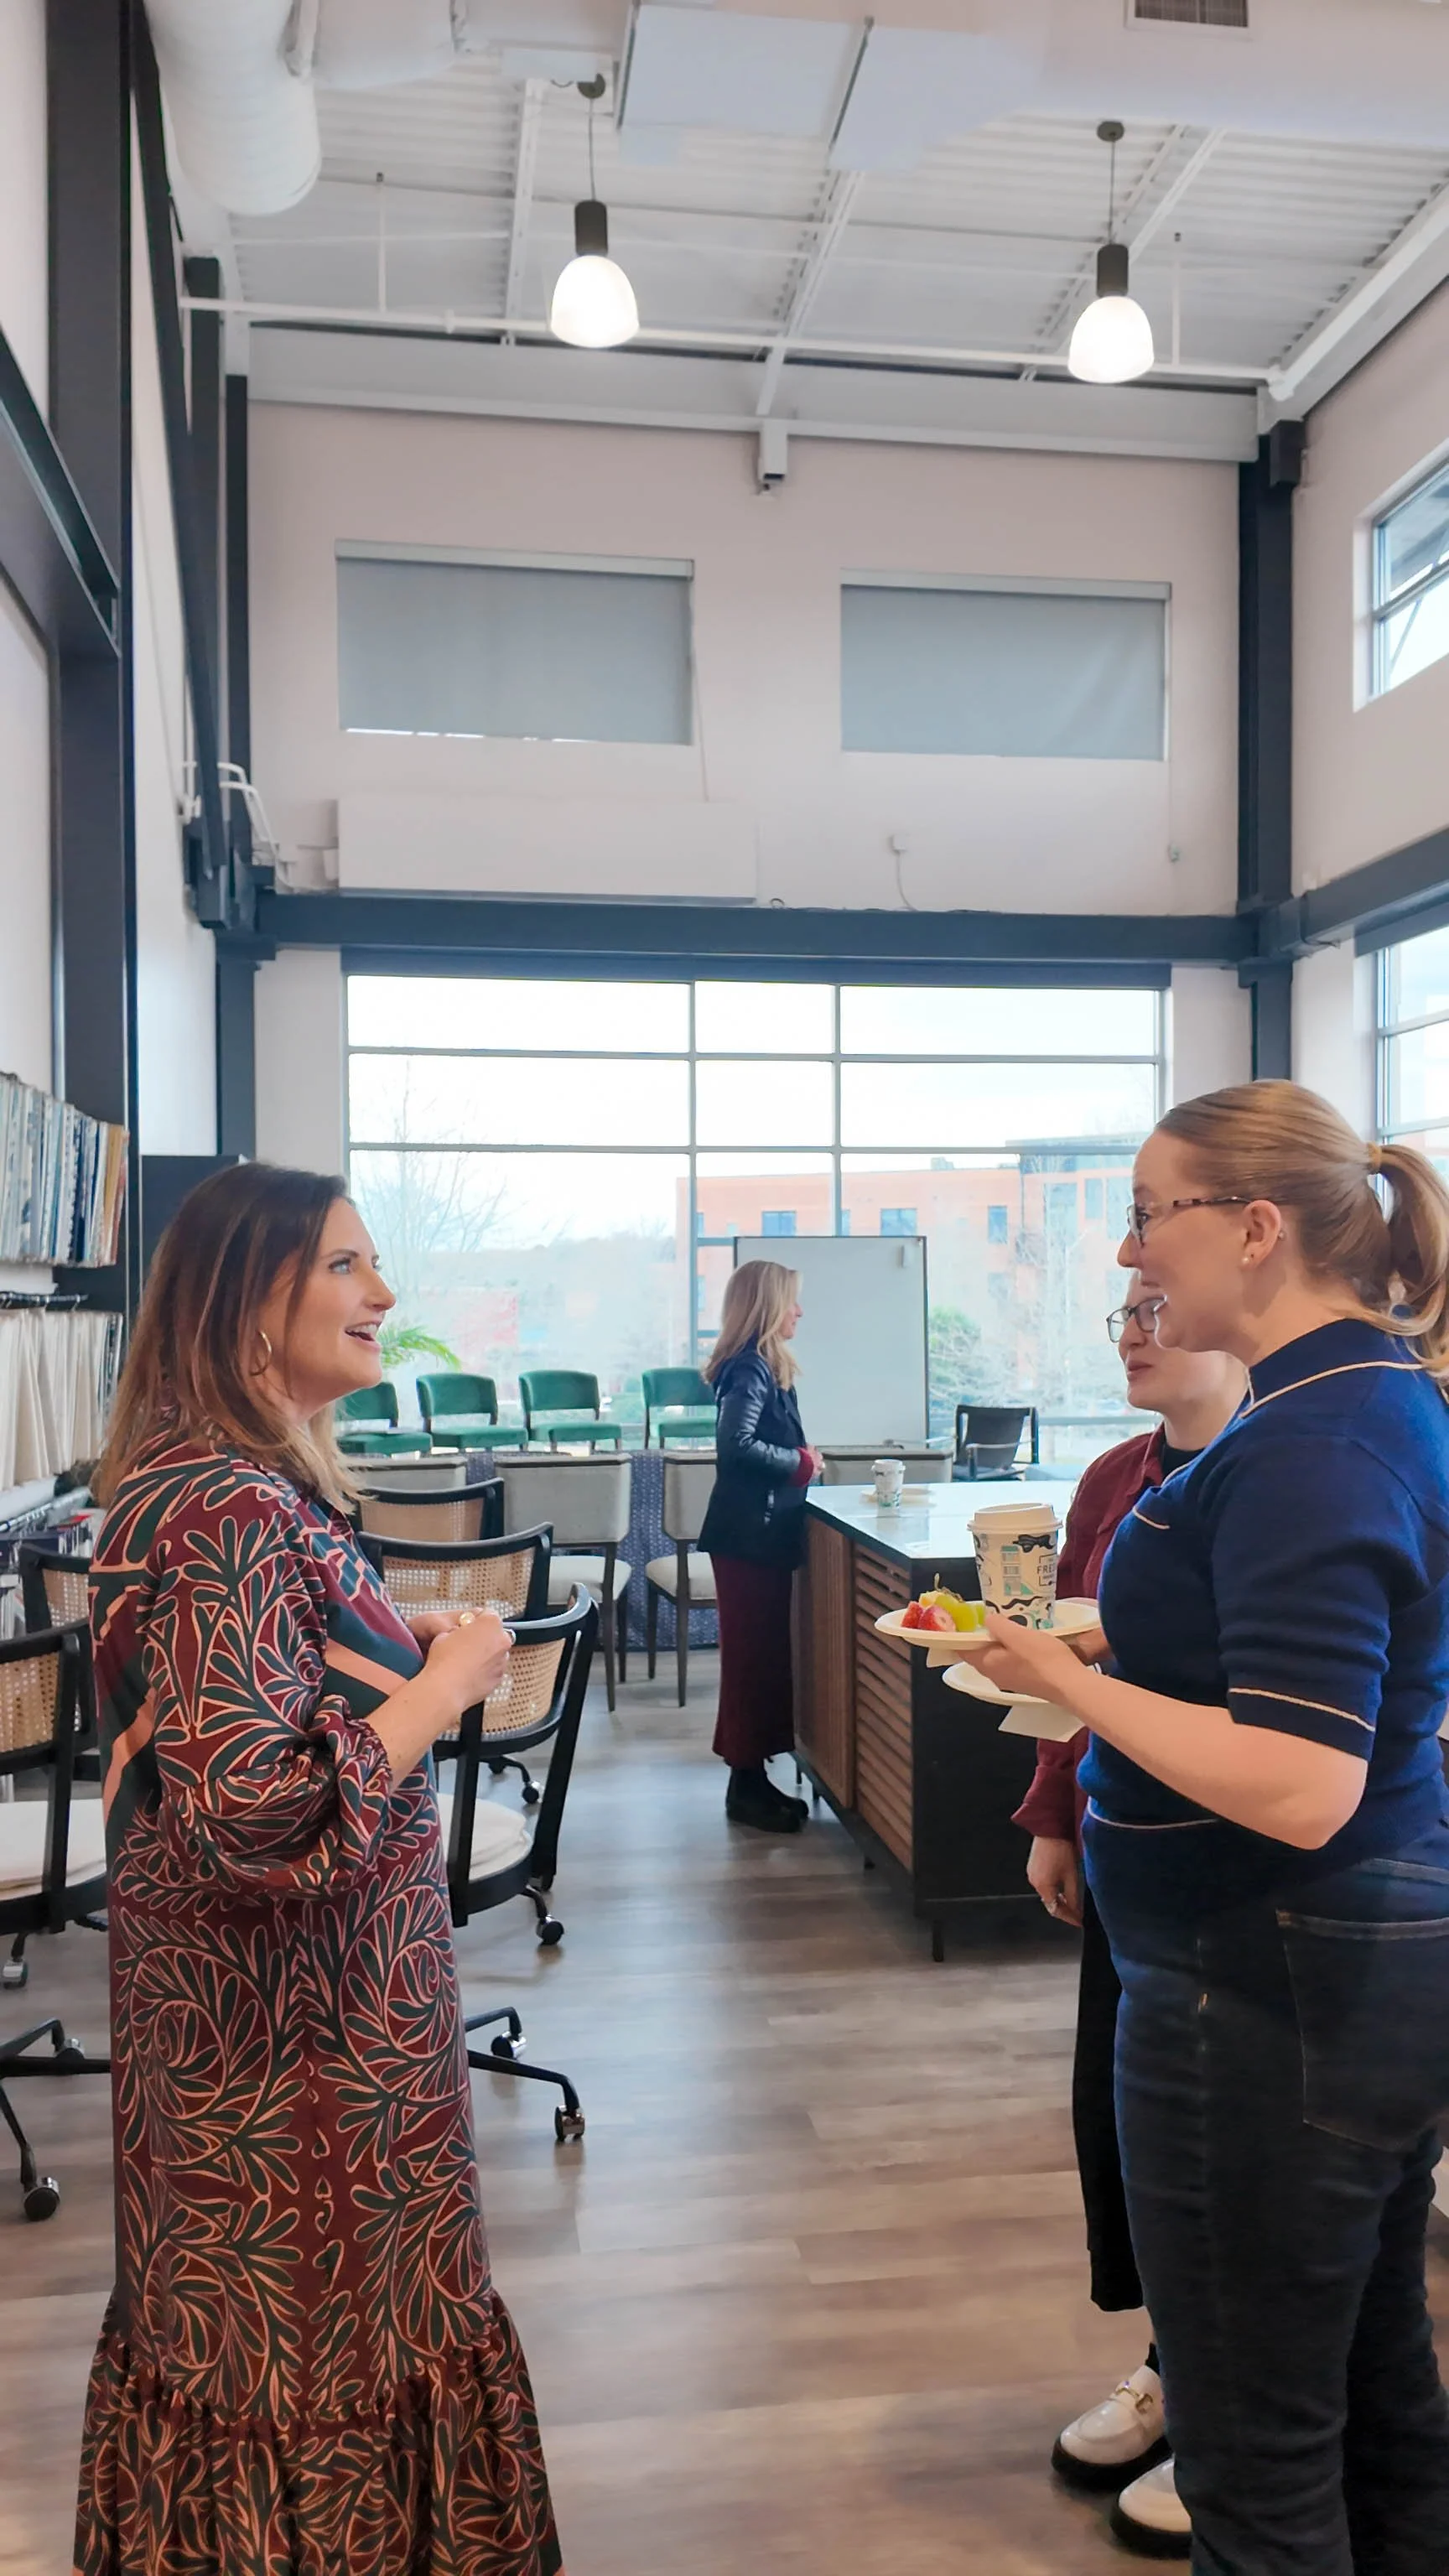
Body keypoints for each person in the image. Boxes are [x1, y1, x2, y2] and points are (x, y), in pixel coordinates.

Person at [977, 1081, 1449, 2576]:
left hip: (1264, 1980)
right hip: (1314, 1966)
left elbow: (1299, 1775)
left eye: (1145, 1217)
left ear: (1251, 1229)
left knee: (1252, 2446)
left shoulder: (1311, 1439)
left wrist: (1063, 1677)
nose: (1128, 1260)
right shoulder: (1347, 1405)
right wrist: (1120, 1665)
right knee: (1368, 2390)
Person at [75, 1165, 562, 2576]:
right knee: (316, 2377)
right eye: (347, 1264)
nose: (384, 1295)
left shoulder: (197, 1487)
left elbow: (234, 1728)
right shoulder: (232, 1509)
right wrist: (446, 1682)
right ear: (246, 1299)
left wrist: (366, 1640)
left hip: (248, 2058)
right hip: (301, 2081)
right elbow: (259, 1818)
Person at [1013, 1280, 1244, 2558]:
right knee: (1127, 2123)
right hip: (1123, 1845)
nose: (1133, 1331)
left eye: (1159, 1305)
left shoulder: (1285, 1473)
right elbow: (1067, 1669)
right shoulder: (1112, 1481)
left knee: (1229, 2150)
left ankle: (1229, 2417)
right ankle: (1174, 2362)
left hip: (1242, 1864)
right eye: (1122, 1314)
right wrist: (1054, 1813)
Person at [699, 1259, 822, 1831]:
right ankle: (744, 1786)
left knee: (763, 1660)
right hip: (748, 1539)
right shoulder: (748, 1369)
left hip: (759, 1536)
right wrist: (801, 1463)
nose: (799, 1311)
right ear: (770, 1305)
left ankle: (751, 1779)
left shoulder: (764, 1368)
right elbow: (736, 1447)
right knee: (751, 1663)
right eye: (792, 1300)